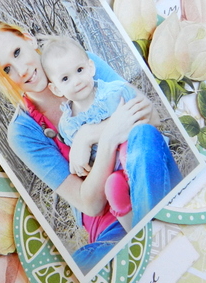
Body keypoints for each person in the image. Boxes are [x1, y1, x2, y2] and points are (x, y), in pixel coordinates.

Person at [0, 15, 182, 273]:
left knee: (143, 137)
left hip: (145, 172)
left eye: (17, 52)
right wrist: (109, 138)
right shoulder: (23, 131)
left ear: (27, 38)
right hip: (109, 219)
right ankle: (149, 242)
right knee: (83, 262)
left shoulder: (79, 66)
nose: (21, 70)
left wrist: (88, 134)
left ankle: (149, 241)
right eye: (7, 69)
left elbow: (150, 117)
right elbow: (90, 204)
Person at [41, 36, 161, 231]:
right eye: (65, 79)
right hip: (113, 172)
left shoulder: (115, 93)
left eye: (79, 70)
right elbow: (84, 162)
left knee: (126, 148)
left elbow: (148, 119)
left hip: (139, 158)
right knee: (113, 187)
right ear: (56, 89)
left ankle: (152, 207)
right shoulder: (68, 126)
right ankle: (138, 232)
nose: (77, 81)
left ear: (91, 67)